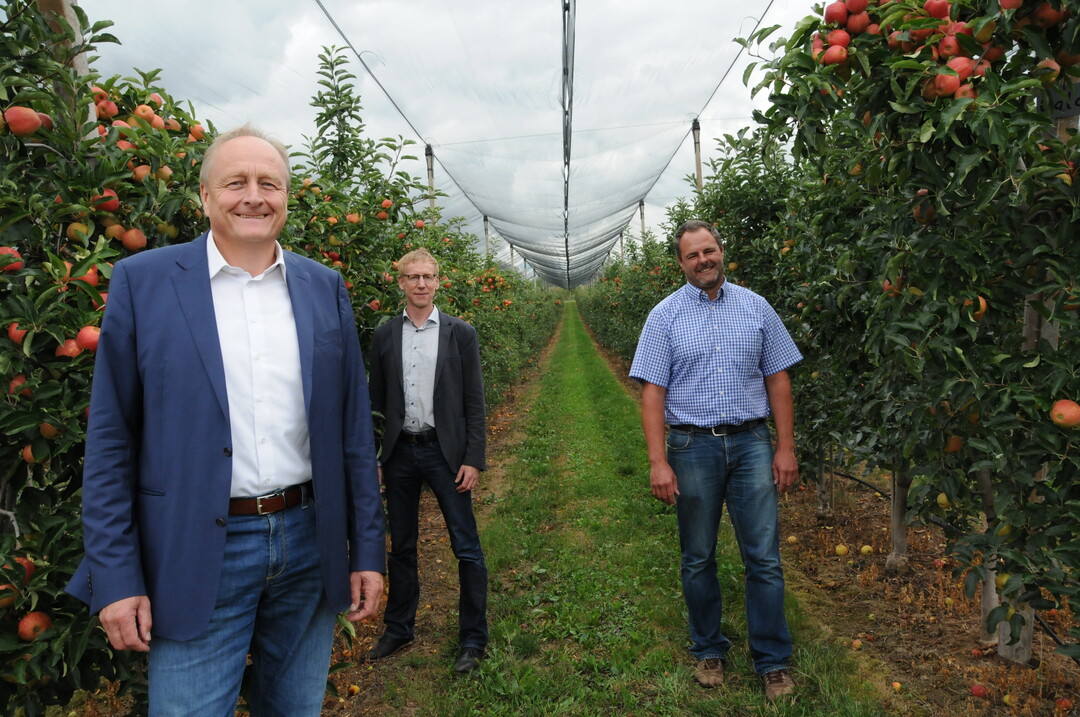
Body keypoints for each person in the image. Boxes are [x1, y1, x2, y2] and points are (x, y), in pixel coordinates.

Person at [66, 125, 386, 715]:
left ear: (287, 197)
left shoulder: (324, 287)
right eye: (235, 182)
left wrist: (367, 548)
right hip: (195, 545)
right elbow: (111, 440)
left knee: (294, 707)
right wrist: (116, 576)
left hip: (308, 541)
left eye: (270, 183)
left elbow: (351, 434)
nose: (254, 196)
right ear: (205, 197)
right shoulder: (145, 283)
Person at [628, 220, 802, 701]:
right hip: (692, 446)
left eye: (709, 251)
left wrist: (784, 448)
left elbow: (779, 380)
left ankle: (772, 661)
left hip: (751, 443)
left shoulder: (756, 306)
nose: (703, 260)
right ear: (680, 263)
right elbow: (652, 392)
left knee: (763, 558)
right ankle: (709, 647)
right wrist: (657, 461)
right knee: (698, 556)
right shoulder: (663, 316)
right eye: (692, 255)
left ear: (722, 252)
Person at [367, 247, 489, 674]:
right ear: (399, 282)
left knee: (466, 546)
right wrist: (377, 455)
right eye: (412, 277)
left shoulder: (461, 334)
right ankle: (399, 628)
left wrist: (473, 457)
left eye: (428, 276)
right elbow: (376, 403)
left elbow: (474, 401)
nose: (421, 283)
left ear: (439, 282)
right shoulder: (384, 335)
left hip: (444, 452)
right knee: (400, 546)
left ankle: (473, 640)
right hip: (400, 452)